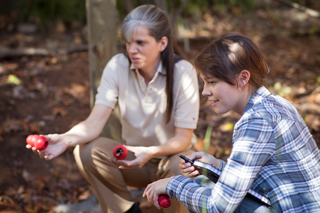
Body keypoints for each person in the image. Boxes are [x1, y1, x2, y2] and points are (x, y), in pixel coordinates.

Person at [27, 4, 199, 213]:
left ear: (162, 43)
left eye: (140, 43)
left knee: (183, 162)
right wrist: (65, 139)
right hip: (133, 161)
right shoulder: (118, 66)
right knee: (88, 151)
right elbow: (94, 122)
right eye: (128, 43)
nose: (132, 50)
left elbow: (183, 139)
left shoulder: (183, 72)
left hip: (169, 162)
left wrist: (150, 152)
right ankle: (125, 211)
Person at [143, 32, 320, 213]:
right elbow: (260, 176)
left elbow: (217, 207)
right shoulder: (278, 104)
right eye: (204, 82)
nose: (205, 92)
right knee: (207, 181)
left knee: (200, 185)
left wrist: (173, 184)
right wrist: (218, 166)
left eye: (211, 82)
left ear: (242, 78)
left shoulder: (256, 121)